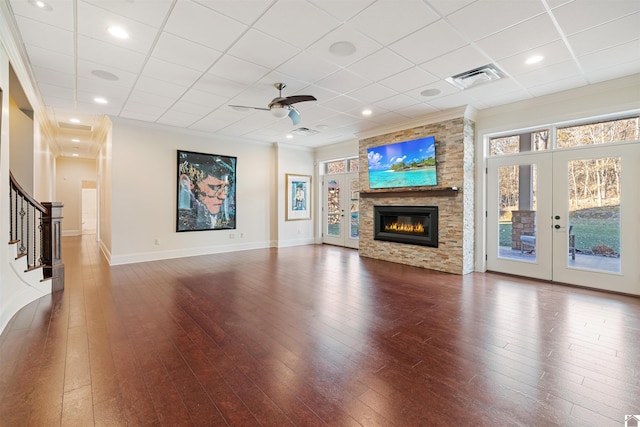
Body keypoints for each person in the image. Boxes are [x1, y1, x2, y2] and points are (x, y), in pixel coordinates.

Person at [177, 153, 235, 230]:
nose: (223, 196)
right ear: (187, 182)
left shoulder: (227, 219)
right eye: (215, 187)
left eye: (226, 187)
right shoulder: (185, 221)